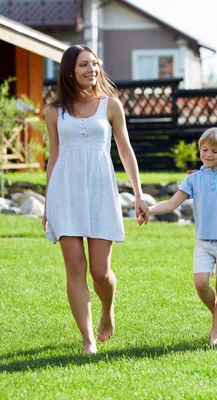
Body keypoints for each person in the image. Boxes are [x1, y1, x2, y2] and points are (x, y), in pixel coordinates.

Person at [43, 45, 148, 354]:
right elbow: (53, 156)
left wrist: (139, 194)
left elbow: (126, 151)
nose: (92, 69)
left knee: (100, 272)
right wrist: (48, 201)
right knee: (74, 265)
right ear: (69, 71)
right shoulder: (54, 111)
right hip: (65, 190)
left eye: (95, 64)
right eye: (84, 65)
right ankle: (88, 340)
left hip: (100, 189)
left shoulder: (111, 105)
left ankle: (107, 308)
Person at [138, 128, 217, 346]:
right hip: (204, 242)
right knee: (201, 283)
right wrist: (149, 210)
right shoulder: (194, 179)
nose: (208, 154)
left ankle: (216, 333)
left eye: (214, 151)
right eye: (204, 150)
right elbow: (172, 203)